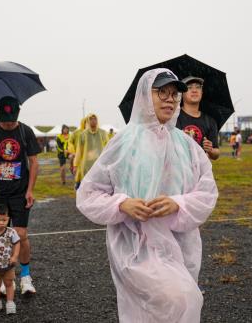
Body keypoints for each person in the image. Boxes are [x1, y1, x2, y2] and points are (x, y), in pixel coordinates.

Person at [76, 69, 218, 323]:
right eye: (161, 92)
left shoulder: (187, 147)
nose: (169, 99)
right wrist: (123, 204)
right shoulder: (123, 143)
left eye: (174, 94)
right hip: (135, 246)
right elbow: (87, 195)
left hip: (182, 246)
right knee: (182, 301)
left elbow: (207, 192)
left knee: (164, 311)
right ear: (144, 95)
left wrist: (179, 203)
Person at [0, 96, 41, 295]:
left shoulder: (25, 131)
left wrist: (30, 190)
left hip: (20, 191)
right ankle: (8, 279)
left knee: (21, 234)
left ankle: (25, 276)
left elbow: (34, 162)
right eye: (5, 121)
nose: (9, 124)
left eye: (12, 120)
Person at [176, 76, 220, 160]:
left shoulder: (210, 121)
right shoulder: (173, 118)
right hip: (178, 170)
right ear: (182, 93)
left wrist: (210, 150)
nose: (194, 90)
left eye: (198, 87)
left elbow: (216, 153)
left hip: (202, 171)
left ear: (202, 92)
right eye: (189, 87)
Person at [73, 113, 108, 190]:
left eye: (95, 119)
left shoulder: (103, 133)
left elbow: (107, 148)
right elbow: (79, 151)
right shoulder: (83, 135)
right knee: (87, 185)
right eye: (91, 119)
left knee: (100, 185)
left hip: (99, 163)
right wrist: (75, 164)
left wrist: (108, 161)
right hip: (87, 164)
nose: (93, 121)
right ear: (88, 121)